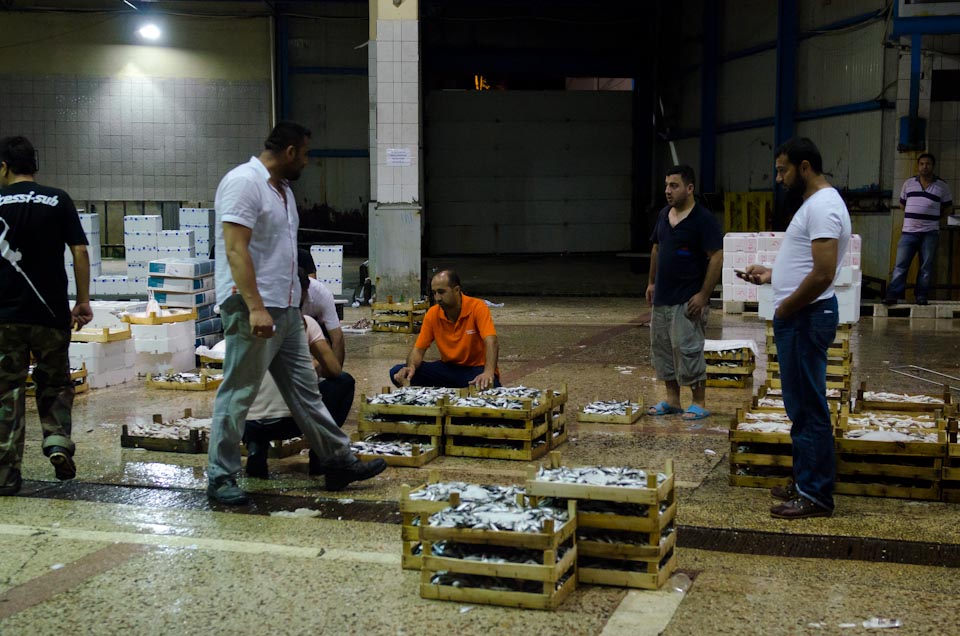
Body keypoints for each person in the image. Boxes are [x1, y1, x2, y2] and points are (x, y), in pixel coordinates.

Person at [207, 121, 385, 505]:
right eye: (304, 154)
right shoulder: (244, 182)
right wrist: (255, 307)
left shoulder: (283, 191)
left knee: (307, 394)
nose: (306, 163)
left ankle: (337, 460)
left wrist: (290, 307)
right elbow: (236, 250)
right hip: (253, 307)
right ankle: (220, 478)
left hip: (286, 308)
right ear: (289, 152)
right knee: (238, 393)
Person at [740, 136, 851, 520]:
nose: (778, 177)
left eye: (783, 169)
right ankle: (805, 479)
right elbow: (807, 265)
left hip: (805, 317)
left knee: (808, 407)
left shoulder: (822, 207)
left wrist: (785, 306)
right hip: (800, 316)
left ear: (805, 167)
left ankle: (815, 495)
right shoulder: (816, 205)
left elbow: (822, 274)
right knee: (800, 405)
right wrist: (772, 275)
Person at [0, 135, 93, 495]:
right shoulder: (58, 199)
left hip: (5, 317)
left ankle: (6, 477)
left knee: (6, 393)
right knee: (54, 384)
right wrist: (83, 301)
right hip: (51, 314)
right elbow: (80, 251)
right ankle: (56, 442)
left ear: (5, 167)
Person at [243, 268, 356, 478]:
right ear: (301, 293)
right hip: (294, 421)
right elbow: (334, 370)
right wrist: (313, 366)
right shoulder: (304, 323)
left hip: (247, 423)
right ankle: (321, 454)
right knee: (343, 382)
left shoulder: (249, 321)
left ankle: (256, 447)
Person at [645, 165, 722, 421]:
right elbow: (656, 249)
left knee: (687, 349)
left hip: (687, 299)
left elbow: (716, 258)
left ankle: (698, 402)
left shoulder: (703, 219)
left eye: (674, 185)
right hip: (663, 298)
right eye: (666, 185)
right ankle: (672, 400)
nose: (667, 191)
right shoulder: (664, 215)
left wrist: (703, 295)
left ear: (690, 188)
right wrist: (651, 283)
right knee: (663, 349)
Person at [391, 270, 500, 389]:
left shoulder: (477, 307)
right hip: (448, 369)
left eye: (441, 292)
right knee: (396, 372)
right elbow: (418, 350)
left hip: (475, 369)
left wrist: (488, 372)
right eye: (434, 293)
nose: (437, 298)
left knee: (489, 385)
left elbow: (491, 341)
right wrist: (410, 367)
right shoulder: (433, 313)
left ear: (457, 290)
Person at [883, 153, 953, 306]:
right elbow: (902, 205)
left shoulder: (942, 186)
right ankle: (893, 295)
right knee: (900, 265)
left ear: (932, 166)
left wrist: (933, 217)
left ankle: (921, 296)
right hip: (909, 232)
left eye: (927, 164)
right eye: (921, 164)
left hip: (930, 233)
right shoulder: (909, 184)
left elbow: (948, 208)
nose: (924, 167)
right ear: (918, 166)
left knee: (926, 267)